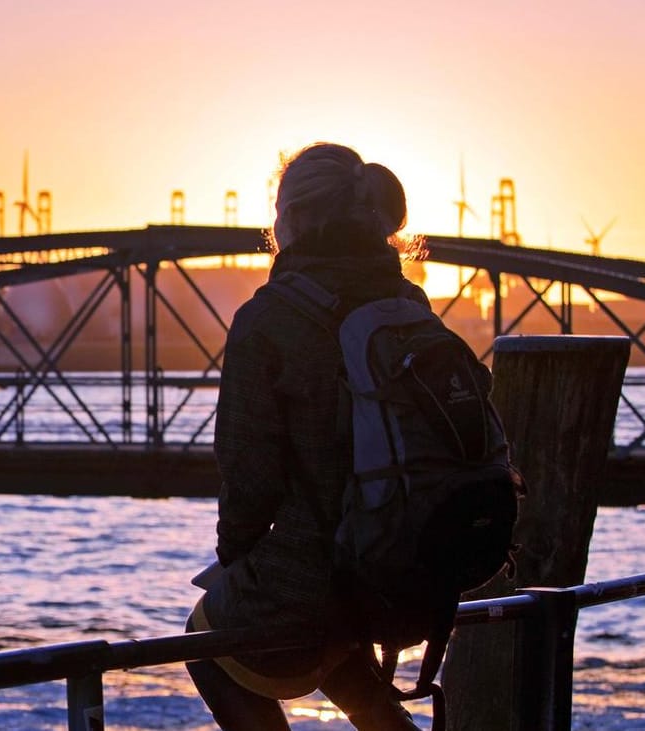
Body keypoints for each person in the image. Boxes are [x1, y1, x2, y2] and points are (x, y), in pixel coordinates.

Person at [185, 143, 425, 731]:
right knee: (339, 648)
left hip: (328, 562)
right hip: (417, 561)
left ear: (289, 218)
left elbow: (248, 473)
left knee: (205, 643)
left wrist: (236, 560)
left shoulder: (269, 318)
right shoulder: (409, 302)